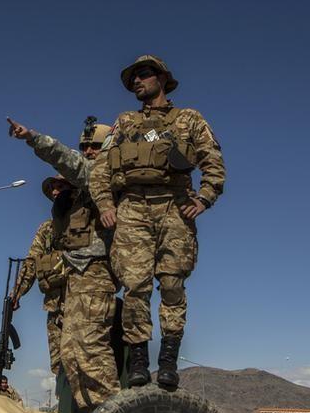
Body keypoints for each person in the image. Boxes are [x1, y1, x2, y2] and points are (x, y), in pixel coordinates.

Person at [90, 55, 226, 387]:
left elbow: (214, 160)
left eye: (144, 75)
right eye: (133, 77)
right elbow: (101, 170)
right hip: (132, 207)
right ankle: (138, 361)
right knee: (135, 287)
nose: (137, 81)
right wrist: (106, 204)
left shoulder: (189, 119)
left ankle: (167, 361)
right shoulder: (124, 122)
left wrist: (205, 197)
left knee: (171, 284)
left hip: (175, 206)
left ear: (162, 79)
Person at [8, 117, 119, 413]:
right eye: (83, 146)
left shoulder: (103, 179)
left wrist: (32, 137)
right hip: (72, 286)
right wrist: (16, 293)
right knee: (70, 356)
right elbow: (33, 262)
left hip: (96, 276)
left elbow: (68, 160)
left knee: (89, 351)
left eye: (92, 146)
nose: (86, 151)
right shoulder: (59, 222)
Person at [11, 219, 63, 376]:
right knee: (59, 365)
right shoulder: (47, 228)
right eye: (51, 192)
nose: (54, 192)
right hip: (56, 308)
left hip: (86, 305)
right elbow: (31, 263)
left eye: (59, 191)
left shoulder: (89, 215)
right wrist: (17, 293)